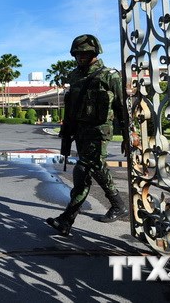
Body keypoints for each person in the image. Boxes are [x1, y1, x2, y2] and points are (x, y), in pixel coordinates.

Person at [46, 34, 128, 236]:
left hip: (99, 131)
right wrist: (67, 132)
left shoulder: (110, 76)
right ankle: (118, 204)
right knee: (97, 169)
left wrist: (127, 134)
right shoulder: (74, 76)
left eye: (85, 53)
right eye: (78, 54)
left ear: (94, 53)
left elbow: (121, 107)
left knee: (82, 171)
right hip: (80, 132)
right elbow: (72, 107)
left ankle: (67, 220)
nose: (81, 57)